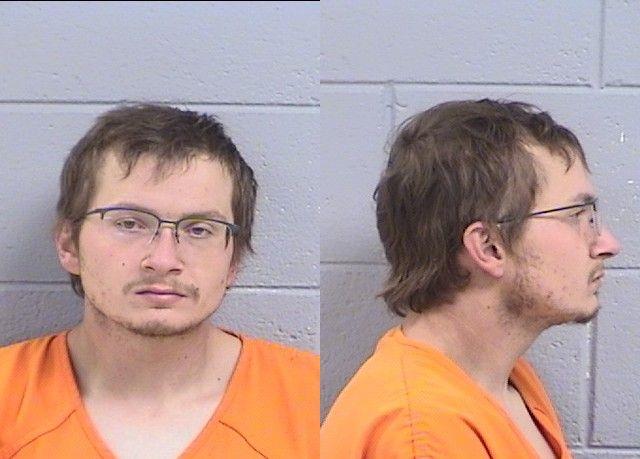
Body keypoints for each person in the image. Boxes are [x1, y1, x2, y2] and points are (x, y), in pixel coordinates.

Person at [0, 104, 319, 459]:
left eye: (199, 230)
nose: (163, 261)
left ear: (235, 260)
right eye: (129, 223)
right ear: (68, 245)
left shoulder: (310, 400)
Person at [321, 99, 621, 458]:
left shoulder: (508, 380)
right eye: (577, 216)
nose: (607, 244)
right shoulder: (422, 436)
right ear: (489, 246)